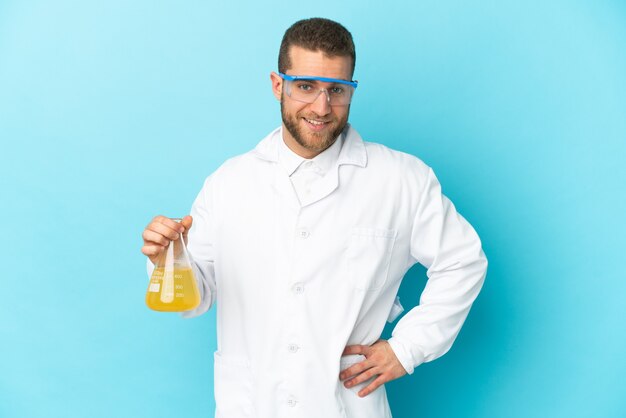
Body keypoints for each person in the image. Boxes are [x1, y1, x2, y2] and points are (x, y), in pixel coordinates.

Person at [141, 17, 487, 418]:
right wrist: (166, 259)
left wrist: (406, 349)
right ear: (277, 85)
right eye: (306, 86)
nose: (322, 108)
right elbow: (195, 299)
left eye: (336, 90)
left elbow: (463, 261)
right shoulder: (229, 183)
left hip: (345, 406)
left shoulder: (401, 180)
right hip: (251, 405)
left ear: (351, 91)